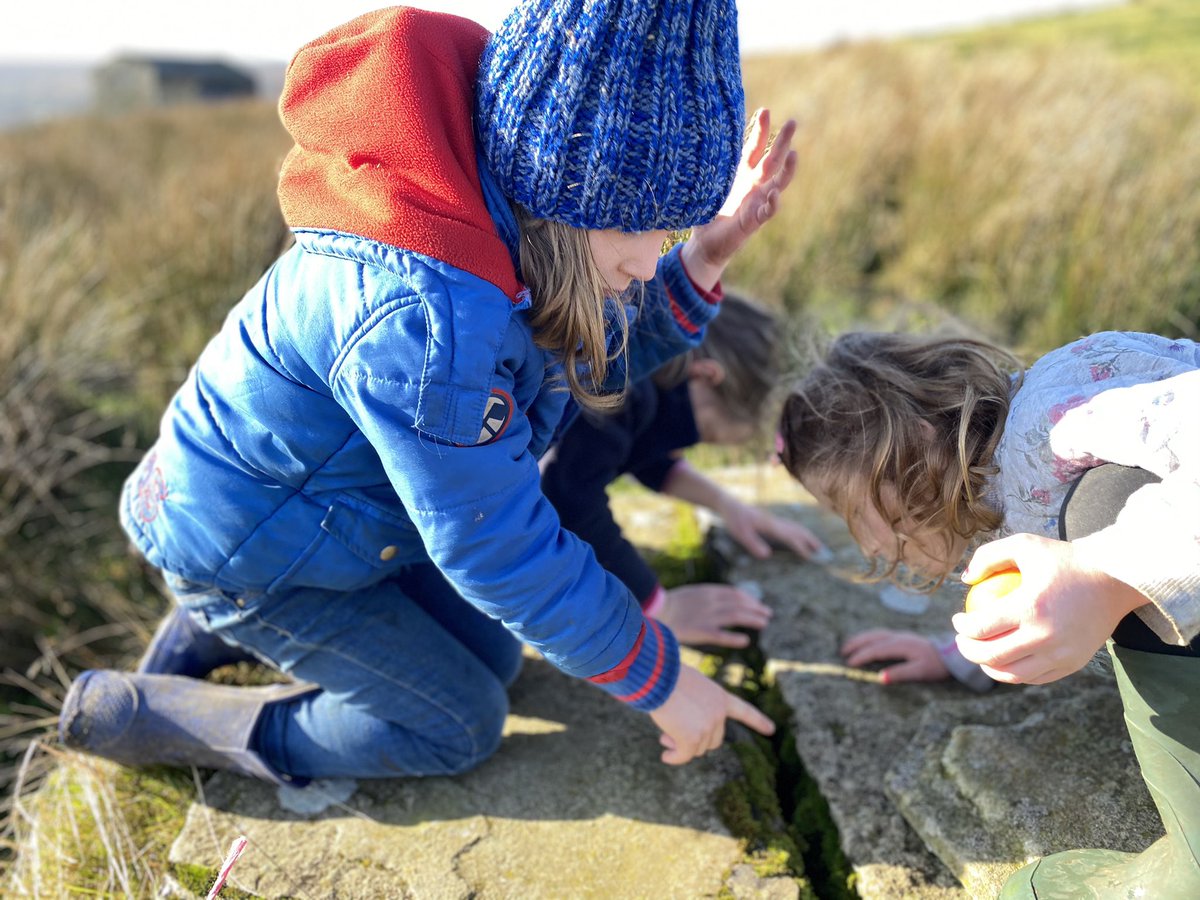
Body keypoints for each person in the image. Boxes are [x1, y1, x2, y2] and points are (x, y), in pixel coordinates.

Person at [58, 0, 796, 785]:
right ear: (567, 190)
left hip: (344, 522)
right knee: (458, 722)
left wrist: (704, 259)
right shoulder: (426, 315)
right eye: (644, 229)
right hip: (252, 550)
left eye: (673, 233)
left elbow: (579, 355)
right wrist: (661, 679)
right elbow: (493, 542)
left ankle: (227, 631)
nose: (653, 262)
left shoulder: (507, 231)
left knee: (499, 657)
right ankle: (150, 710)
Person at [777, 329, 1200, 896]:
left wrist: (1102, 571)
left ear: (907, 457)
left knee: (1103, 510)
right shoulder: (1004, 495)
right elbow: (1045, 600)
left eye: (850, 510)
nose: (870, 546)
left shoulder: (1054, 429)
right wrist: (960, 656)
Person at [541, 291, 827, 650]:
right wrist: (661, 607)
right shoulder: (620, 391)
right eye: (702, 433)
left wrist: (728, 506)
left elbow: (646, 454)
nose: (683, 444)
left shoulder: (645, 371)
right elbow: (570, 498)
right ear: (706, 376)